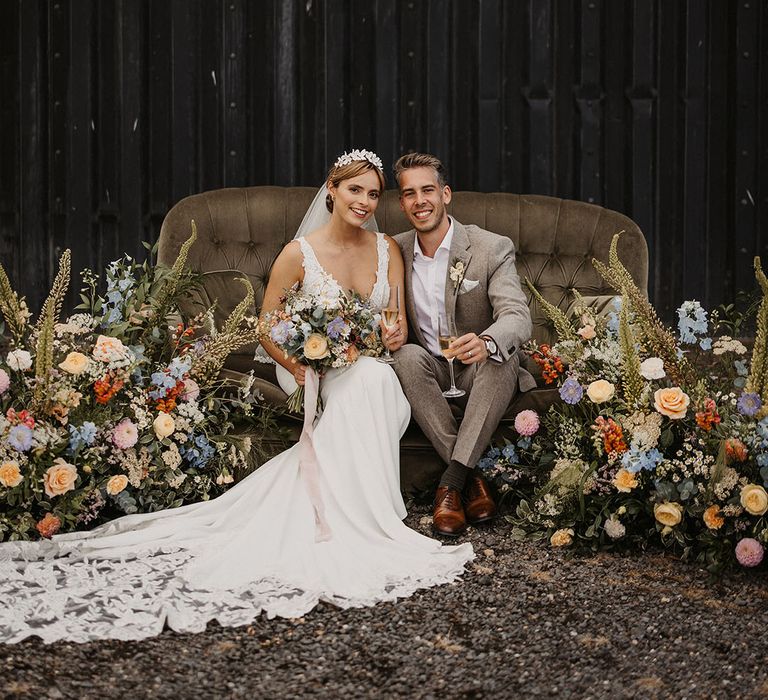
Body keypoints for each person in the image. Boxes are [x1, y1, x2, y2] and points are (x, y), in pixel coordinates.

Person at [0, 150, 474, 644]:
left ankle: (361, 516)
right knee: (367, 383)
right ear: (331, 190)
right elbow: (268, 327)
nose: (364, 201)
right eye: (355, 190)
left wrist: (392, 337)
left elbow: (393, 323)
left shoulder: (386, 250)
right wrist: (304, 366)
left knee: (375, 380)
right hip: (310, 367)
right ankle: (371, 518)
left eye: (374, 194)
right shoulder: (299, 254)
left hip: (371, 366)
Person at [392, 152, 535, 537]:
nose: (420, 201)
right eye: (410, 194)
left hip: (476, 371)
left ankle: (451, 484)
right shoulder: (393, 250)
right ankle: (473, 480)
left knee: (502, 356)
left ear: (446, 194)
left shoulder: (490, 248)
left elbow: (518, 318)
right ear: (402, 203)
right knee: (403, 356)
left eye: (428, 190)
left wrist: (487, 340)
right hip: (432, 369)